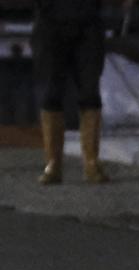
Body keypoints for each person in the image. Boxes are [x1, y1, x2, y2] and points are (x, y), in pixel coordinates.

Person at [33, 0, 112, 184]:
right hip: (50, 21)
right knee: (51, 93)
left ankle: (91, 162)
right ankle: (53, 163)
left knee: (90, 91)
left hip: (87, 21)